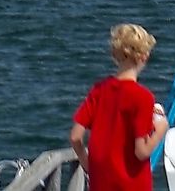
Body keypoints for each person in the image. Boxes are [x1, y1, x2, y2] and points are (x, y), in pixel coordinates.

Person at [70, 23, 165, 191]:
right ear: (144, 56)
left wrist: (88, 166)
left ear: (115, 54)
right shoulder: (143, 97)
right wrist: (160, 130)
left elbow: (76, 137)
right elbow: (141, 152)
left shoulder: (99, 90)